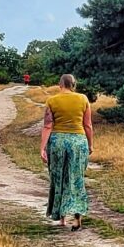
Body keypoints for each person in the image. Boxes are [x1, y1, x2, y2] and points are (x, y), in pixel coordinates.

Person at [41, 73, 93, 230]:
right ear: (74, 85)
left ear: (60, 85)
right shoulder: (83, 99)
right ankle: (77, 217)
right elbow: (88, 125)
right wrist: (90, 144)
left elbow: (48, 125)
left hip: (58, 142)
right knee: (76, 178)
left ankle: (61, 217)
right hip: (78, 141)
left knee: (58, 178)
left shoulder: (52, 100)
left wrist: (42, 147)